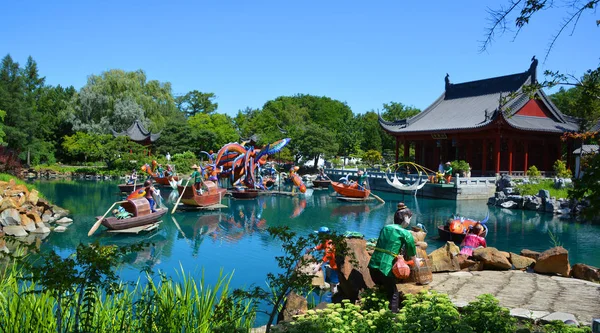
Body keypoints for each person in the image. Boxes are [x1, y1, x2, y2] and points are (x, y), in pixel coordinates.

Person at [368, 213, 417, 313]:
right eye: (409, 218)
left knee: (382, 288)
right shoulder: (405, 233)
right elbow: (411, 250)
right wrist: (416, 264)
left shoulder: (385, 228)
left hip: (374, 263)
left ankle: (377, 309)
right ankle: (393, 315)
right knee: (394, 293)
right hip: (386, 266)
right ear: (406, 219)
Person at [306, 227, 339, 294]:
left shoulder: (329, 244)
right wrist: (311, 249)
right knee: (333, 281)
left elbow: (327, 256)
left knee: (334, 283)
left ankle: (335, 297)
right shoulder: (327, 241)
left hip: (336, 265)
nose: (318, 236)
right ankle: (334, 294)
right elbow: (320, 246)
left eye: (319, 235)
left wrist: (318, 266)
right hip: (332, 264)